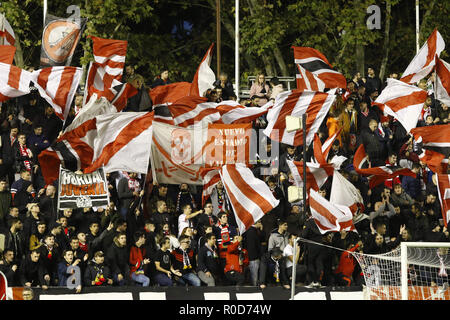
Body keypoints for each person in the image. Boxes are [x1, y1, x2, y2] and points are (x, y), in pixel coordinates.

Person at [243, 219, 266, 286]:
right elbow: (253, 246)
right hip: (253, 257)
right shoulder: (252, 231)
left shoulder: (253, 230)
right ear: (257, 222)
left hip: (253, 257)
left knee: (255, 275)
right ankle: (255, 288)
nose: (261, 224)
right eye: (260, 222)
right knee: (254, 276)